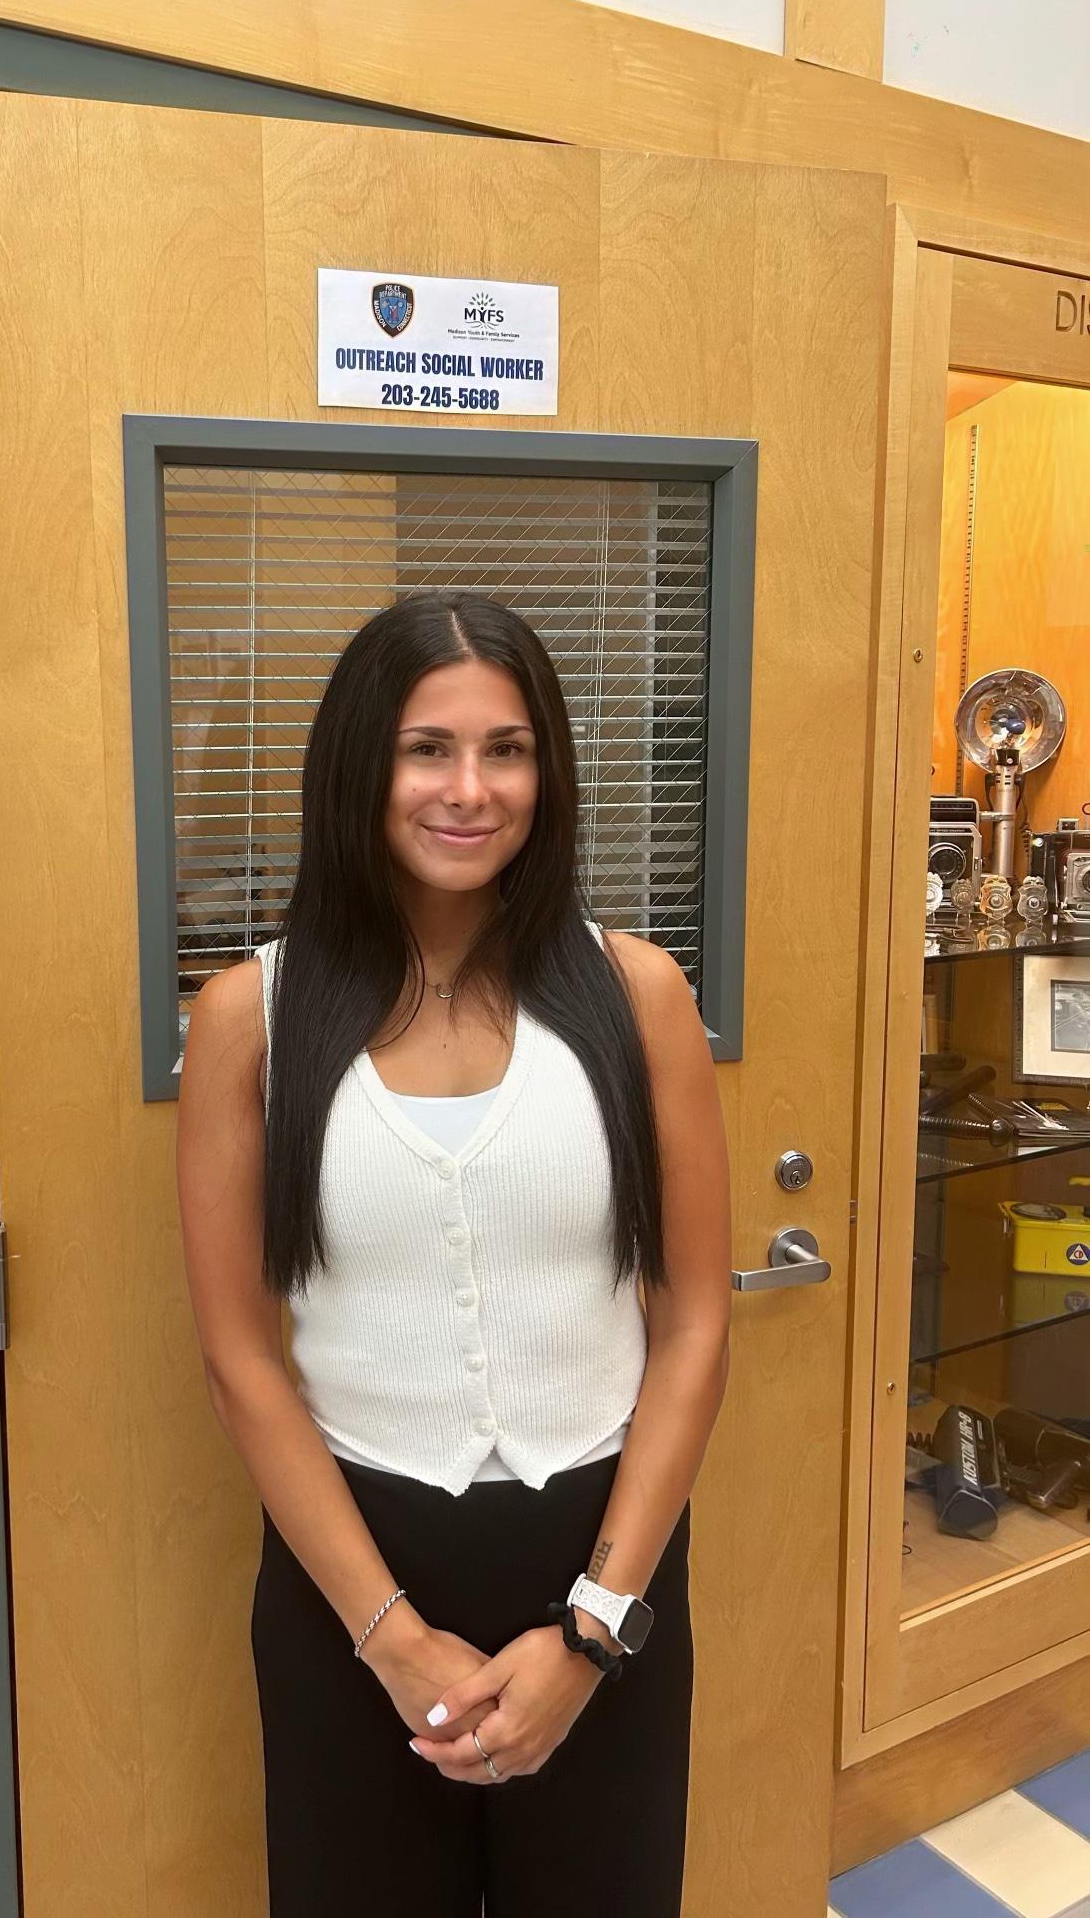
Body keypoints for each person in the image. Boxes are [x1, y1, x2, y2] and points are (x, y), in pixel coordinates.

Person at [176, 589, 731, 1915]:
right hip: (349, 1581)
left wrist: (592, 1632)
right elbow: (241, 1356)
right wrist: (391, 1641)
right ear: (359, 768)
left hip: (603, 1562)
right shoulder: (252, 1017)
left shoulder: (637, 996)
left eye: (508, 749)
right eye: (428, 748)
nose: (470, 789)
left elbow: (695, 1323)